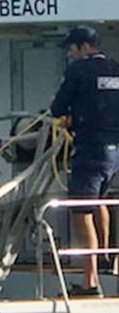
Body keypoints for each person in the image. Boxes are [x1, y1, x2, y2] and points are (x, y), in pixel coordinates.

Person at [51, 26, 119, 295]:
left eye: (71, 49)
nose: (69, 54)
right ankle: (105, 258)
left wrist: (65, 116)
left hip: (90, 150)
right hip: (114, 152)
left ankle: (89, 282)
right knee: (100, 201)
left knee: (81, 211)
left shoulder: (79, 71)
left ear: (83, 47)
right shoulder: (115, 68)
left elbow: (58, 107)